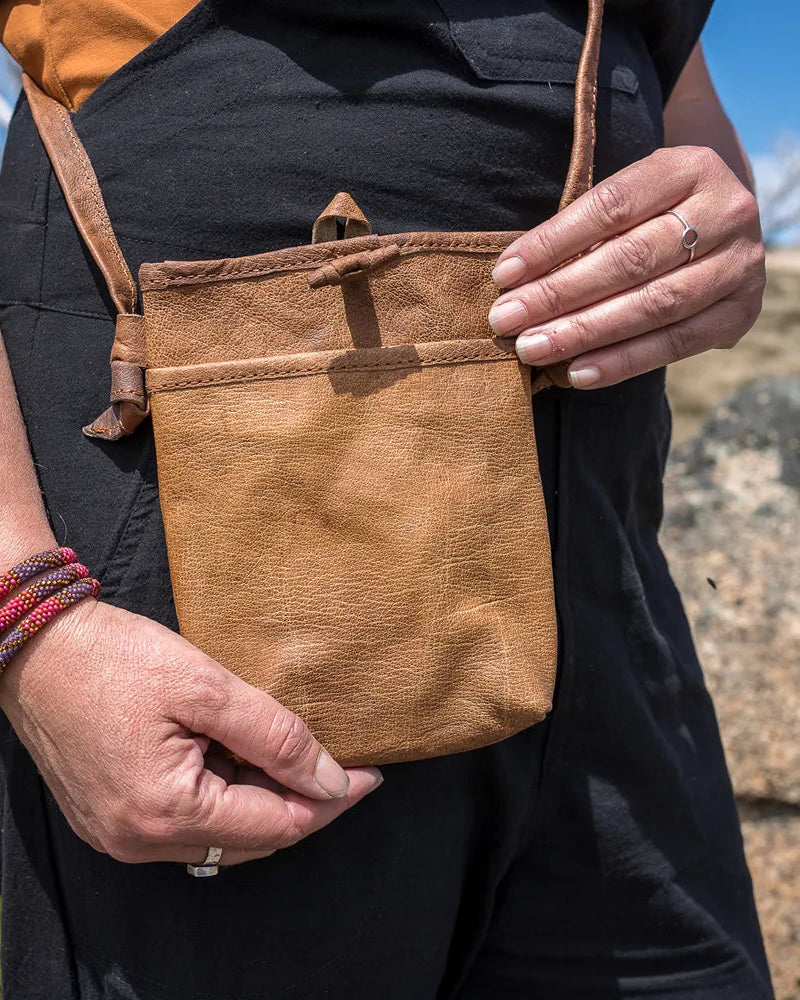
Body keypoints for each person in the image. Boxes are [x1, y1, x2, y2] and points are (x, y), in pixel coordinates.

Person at [0, 1, 774, 998]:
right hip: (207, 517)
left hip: (606, 580)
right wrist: (23, 614)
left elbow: (677, 85)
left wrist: (720, 223)